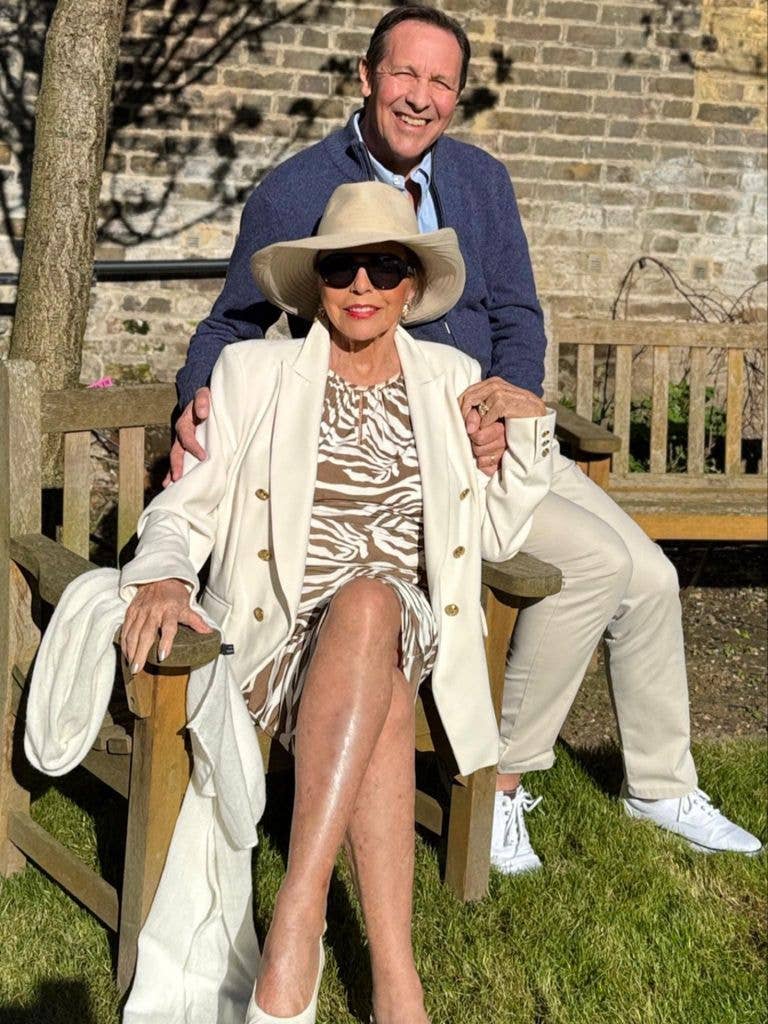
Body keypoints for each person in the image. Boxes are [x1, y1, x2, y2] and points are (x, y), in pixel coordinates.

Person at [168, 4, 762, 869]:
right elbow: (230, 325)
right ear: (366, 78)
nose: (420, 97)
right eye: (404, 75)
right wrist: (197, 398)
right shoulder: (295, 191)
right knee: (594, 564)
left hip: (499, 436)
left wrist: (511, 399)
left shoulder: (481, 180)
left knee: (655, 576)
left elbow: (518, 313)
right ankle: (503, 781)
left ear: (457, 95)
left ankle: (660, 786)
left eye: (441, 81)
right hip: (414, 453)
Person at [120, 181, 556, 1024]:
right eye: (342, 268)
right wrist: (166, 571)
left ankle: (296, 915)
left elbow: (497, 538)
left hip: (407, 620)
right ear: (317, 282)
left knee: (369, 605)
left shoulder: (453, 379)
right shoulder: (254, 372)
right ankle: (397, 981)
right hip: (281, 633)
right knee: (378, 676)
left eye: (384, 267)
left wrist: (524, 428)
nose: (362, 286)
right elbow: (187, 502)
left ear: (409, 287)